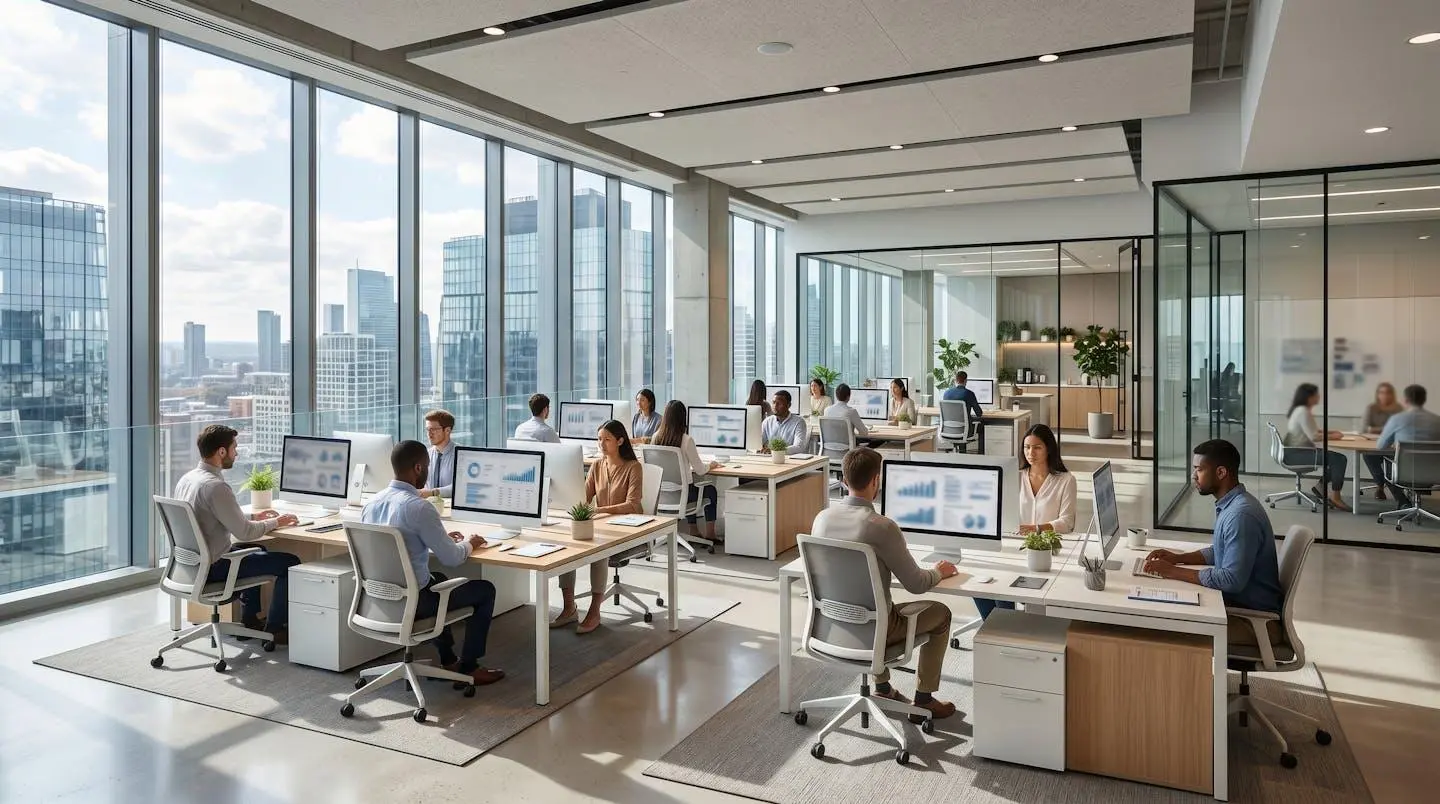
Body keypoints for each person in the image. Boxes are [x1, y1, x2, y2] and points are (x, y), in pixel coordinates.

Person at [811, 447, 958, 722]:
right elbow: (916, 584)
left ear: (843, 479)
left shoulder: (822, 519)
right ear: (876, 481)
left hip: (832, 625)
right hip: (876, 629)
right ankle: (924, 700)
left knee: (873, 606)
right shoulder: (881, 527)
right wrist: (938, 571)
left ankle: (883, 688)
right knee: (941, 613)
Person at [361, 440, 504, 685]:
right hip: (415, 601)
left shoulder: (371, 504)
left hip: (378, 598)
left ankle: (448, 659)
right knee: (484, 590)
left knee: (440, 581)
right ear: (419, 469)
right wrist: (471, 543)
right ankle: (469, 668)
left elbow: (397, 542)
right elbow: (452, 558)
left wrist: (438, 538)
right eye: (426, 467)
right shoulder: (419, 507)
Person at [1144, 439, 1282, 646]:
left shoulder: (1240, 516)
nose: (1193, 476)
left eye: (1199, 469)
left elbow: (1230, 579)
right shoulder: (1231, 505)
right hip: (1237, 606)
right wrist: (1177, 559)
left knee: (1168, 627)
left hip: (1254, 621)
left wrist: (1171, 571)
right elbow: (1220, 552)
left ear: (1221, 473)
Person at [174, 425, 302, 641]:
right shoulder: (215, 486)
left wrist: (254, 518)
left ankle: (249, 620)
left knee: (257, 550)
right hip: (214, 568)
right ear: (221, 452)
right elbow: (245, 533)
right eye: (235, 447)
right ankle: (275, 628)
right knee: (290, 562)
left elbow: (213, 517)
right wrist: (276, 522)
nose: (237, 452)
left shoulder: (189, 479)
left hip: (190, 565)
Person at [974, 424, 1076, 621]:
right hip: (1013, 546)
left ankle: (1004, 624)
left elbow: (1067, 522)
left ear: (1049, 449)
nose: (1031, 453)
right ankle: (996, 626)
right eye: (1027, 447)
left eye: (1037, 447)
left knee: (1003, 585)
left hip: (1045, 550)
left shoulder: (1066, 480)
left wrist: (1036, 529)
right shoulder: (1016, 477)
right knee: (980, 577)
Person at [551, 420, 643, 634]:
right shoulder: (597, 465)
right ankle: (569, 607)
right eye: (599, 439)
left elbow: (633, 504)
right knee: (568, 546)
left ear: (620, 441)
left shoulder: (633, 467)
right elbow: (583, 497)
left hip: (630, 530)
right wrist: (563, 495)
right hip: (603, 526)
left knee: (599, 552)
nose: (601, 444)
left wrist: (599, 511)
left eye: (607, 439)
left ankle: (594, 610)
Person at [652, 400, 723, 544]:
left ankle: (694, 530)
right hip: (683, 496)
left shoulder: (655, 437)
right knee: (709, 490)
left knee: (689, 482)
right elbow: (700, 470)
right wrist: (712, 465)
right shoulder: (686, 440)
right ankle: (710, 534)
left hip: (662, 497)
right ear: (683, 418)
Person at [1366, 384, 1440, 510]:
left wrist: (1396, 442)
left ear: (1406, 400)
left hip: (1404, 474)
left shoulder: (1397, 419)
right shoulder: (1437, 420)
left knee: (1373, 457)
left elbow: (1380, 446)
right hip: (1433, 474)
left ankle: (1402, 500)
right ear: (1424, 400)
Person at [1283, 382, 1350, 511]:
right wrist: (1334, 436)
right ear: (1309, 397)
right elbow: (1314, 436)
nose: (1319, 397)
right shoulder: (1303, 412)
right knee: (1339, 459)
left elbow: (1314, 430)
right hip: (1297, 454)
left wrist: (1331, 432)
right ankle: (1336, 497)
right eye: (1317, 394)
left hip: (1295, 451)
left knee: (1333, 458)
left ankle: (1321, 486)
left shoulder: (1301, 410)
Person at [941, 370, 986, 453]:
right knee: (983, 426)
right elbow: (979, 413)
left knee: (964, 423)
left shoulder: (946, 393)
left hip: (949, 430)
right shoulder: (969, 394)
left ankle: (961, 453)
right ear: (965, 381)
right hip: (965, 430)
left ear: (955, 380)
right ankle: (981, 456)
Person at [823, 383, 880, 448]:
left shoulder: (827, 410)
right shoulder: (851, 412)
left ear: (836, 395)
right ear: (848, 397)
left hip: (829, 449)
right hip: (848, 452)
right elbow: (864, 433)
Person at [419, 408, 456, 499]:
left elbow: (459, 487)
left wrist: (433, 492)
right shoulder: (425, 454)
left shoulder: (460, 455)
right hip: (427, 506)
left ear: (447, 430)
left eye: (433, 429)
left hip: (450, 508)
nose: (429, 434)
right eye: (427, 429)